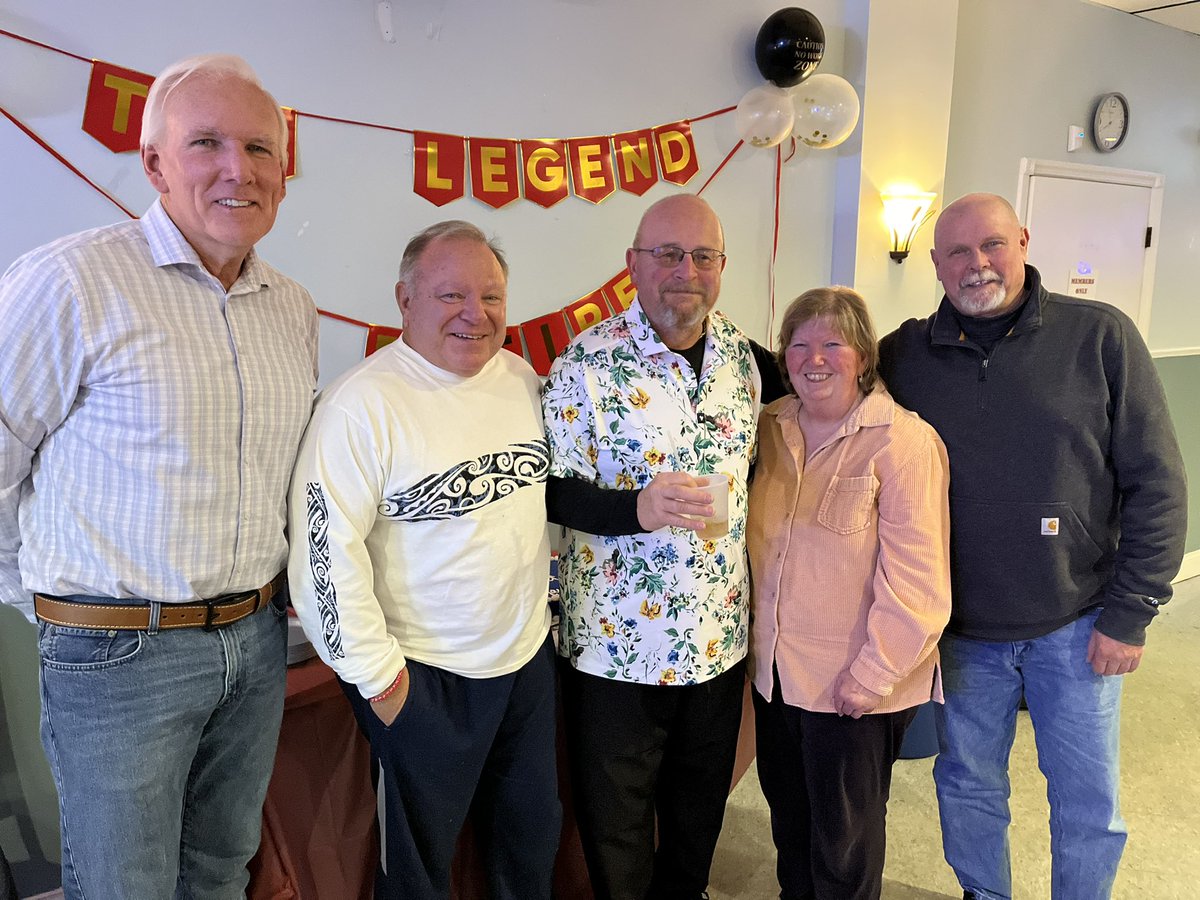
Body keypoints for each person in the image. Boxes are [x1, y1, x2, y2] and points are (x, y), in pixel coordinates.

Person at [0, 54, 317, 898]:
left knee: (218, 871)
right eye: (205, 142)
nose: (236, 169)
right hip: (116, 651)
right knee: (122, 886)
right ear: (153, 163)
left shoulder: (292, 306)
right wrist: (48, 601)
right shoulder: (70, 280)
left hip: (255, 640)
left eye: (259, 149)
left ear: (282, 173)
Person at [878, 193, 1187, 900]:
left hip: (1076, 625)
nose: (976, 263)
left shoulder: (1101, 337)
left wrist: (1131, 613)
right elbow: (826, 386)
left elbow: (1158, 483)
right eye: (956, 252)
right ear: (935, 264)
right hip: (960, 631)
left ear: (1022, 240)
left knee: (1086, 804)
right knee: (967, 786)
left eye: (991, 245)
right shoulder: (906, 355)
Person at [287, 220, 560, 900]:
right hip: (423, 675)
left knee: (527, 848)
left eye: (492, 296)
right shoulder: (360, 406)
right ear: (405, 301)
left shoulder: (520, 378)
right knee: (417, 875)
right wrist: (381, 685)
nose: (477, 314)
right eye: (451, 296)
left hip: (524, 664)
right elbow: (324, 557)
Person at [542, 193, 767, 900]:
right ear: (633, 266)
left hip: (718, 643)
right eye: (668, 255)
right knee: (618, 828)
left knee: (698, 819)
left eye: (702, 256)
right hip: (617, 649)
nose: (686, 271)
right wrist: (634, 508)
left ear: (723, 267)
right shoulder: (584, 364)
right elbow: (548, 491)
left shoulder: (748, 360)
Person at [747, 287, 951, 900]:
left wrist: (871, 675)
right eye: (800, 344)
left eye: (832, 343)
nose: (815, 358)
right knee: (791, 826)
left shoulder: (903, 443)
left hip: (852, 685)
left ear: (862, 354)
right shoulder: (772, 427)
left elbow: (919, 582)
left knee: (844, 847)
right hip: (776, 677)